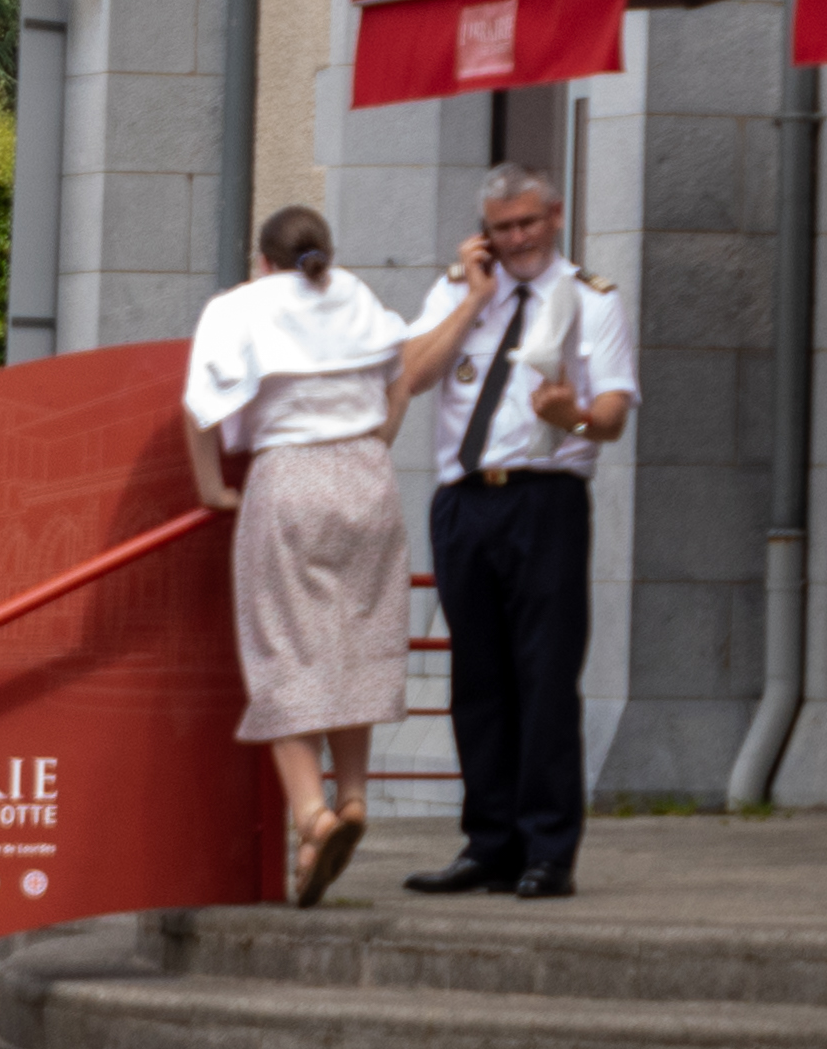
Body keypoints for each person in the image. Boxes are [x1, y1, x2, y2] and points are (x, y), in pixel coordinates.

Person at [180, 206, 451, 907]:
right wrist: (372, 434)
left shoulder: (240, 306)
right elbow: (402, 373)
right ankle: (354, 799)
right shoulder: (356, 293)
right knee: (354, 643)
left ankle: (312, 813)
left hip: (290, 475)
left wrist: (211, 487)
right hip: (367, 478)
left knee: (286, 652)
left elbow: (199, 406)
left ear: (263, 257)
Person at [398, 165, 637, 900]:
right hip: (464, 502)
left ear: (555, 215)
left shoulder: (591, 298)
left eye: (527, 223)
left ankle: (547, 849)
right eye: (501, 228)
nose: (515, 239)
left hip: (545, 500)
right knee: (478, 680)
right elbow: (410, 374)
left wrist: (568, 414)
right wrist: (474, 297)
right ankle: (488, 842)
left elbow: (614, 415)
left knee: (542, 679)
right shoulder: (456, 289)